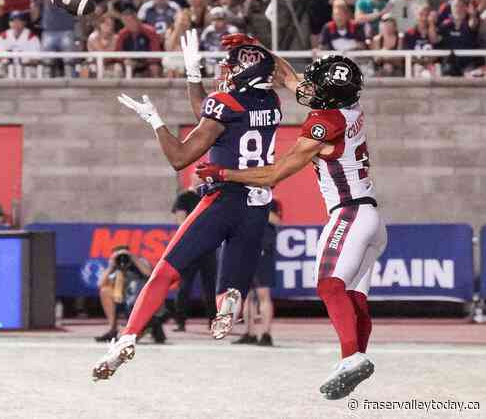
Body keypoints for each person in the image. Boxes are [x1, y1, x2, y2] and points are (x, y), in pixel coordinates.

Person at [196, 37, 387, 401]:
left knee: (329, 286)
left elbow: (274, 174)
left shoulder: (324, 122)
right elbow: (288, 76)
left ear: (330, 94)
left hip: (348, 211)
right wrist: (259, 50)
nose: (307, 86)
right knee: (353, 296)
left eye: (317, 84)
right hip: (372, 217)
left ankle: (350, 358)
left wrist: (224, 174)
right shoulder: (348, 106)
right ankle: (355, 356)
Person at [92, 33, 287, 381]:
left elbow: (180, 157)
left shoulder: (226, 104)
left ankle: (127, 337)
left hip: (223, 198)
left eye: (231, 66)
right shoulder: (270, 101)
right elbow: (210, 116)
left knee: (164, 274)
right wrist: (193, 75)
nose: (225, 70)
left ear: (243, 74)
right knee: (231, 284)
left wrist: (155, 121)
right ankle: (229, 299)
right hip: (257, 205)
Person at [170, 174, 217, 332]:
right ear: (193, 178)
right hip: (190, 246)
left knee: (210, 286)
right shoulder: (184, 198)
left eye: (204, 177)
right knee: (185, 285)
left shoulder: (210, 195)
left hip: (209, 247)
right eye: (199, 176)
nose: (202, 179)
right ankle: (180, 321)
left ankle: (213, 321)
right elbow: (181, 221)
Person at [233, 198, 281, 346]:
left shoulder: (271, 202)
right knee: (246, 296)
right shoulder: (242, 201)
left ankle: (266, 334)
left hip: (262, 251)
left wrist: (256, 207)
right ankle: (250, 332)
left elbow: (275, 220)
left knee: (263, 294)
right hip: (244, 251)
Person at [95, 245, 166, 344]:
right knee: (105, 291)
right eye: (118, 256)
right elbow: (100, 284)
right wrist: (111, 266)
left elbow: (149, 274)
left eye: (124, 255)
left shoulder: (140, 262)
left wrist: (133, 258)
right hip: (128, 302)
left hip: (145, 304)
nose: (122, 258)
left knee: (131, 339)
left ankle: (152, 326)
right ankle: (113, 330)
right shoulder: (115, 266)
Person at [115, 5, 161, 77]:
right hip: (129, 63)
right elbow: (118, 53)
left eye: (130, 20)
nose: (129, 24)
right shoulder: (122, 34)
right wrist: (124, 60)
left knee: (154, 67)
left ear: (137, 19)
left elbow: (155, 54)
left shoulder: (150, 31)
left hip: (147, 63)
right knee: (117, 67)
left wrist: (141, 63)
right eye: (126, 22)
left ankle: (158, 88)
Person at [0, 10, 41, 76]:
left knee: (34, 71)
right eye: (13, 21)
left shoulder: (31, 37)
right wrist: (6, 61)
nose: (16, 24)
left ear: (24, 22)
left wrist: (24, 62)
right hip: (8, 67)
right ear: (9, 23)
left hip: (26, 67)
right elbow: (0, 56)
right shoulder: (3, 36)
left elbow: (36, 59)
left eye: (19, 21)